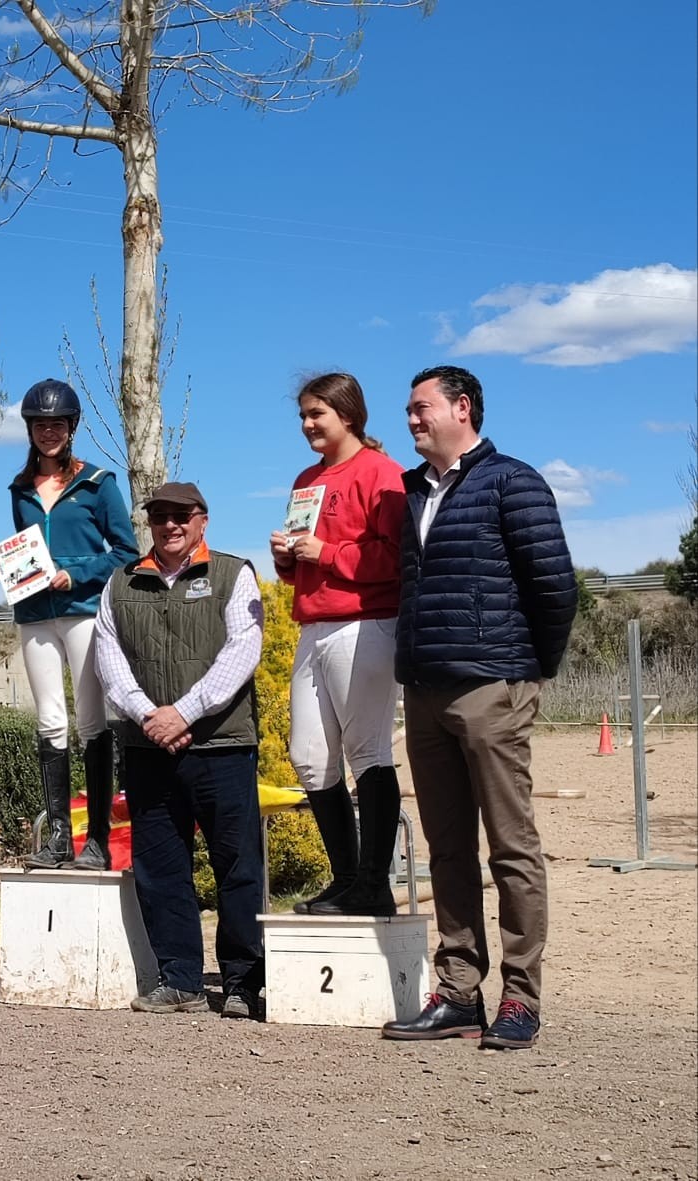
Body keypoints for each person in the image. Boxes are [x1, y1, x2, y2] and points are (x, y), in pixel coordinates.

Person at [381, 366, 576, 1051]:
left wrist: (525, 669)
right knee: (447, 850)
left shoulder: (511, 481)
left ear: (461, 408)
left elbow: (553, 584)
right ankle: (458, 992)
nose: (409, 418)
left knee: (511, 846)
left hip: (491, 684)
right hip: (425, 689)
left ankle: (520, 998)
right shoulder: (408, 493)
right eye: (406, 409)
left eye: (420, 407)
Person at [93, 482, 265, 1018]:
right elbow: (108, 658)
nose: (170, 525)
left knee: (238, 867)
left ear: (202, 520)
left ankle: (242, 983)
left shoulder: (235, 574)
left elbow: (244, 650)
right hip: (148, 749)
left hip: (222, 745)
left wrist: (184, 713)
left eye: (181, 516)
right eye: (160, 516)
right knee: (160, 868)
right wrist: (150, 716)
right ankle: (181, 979)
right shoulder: (120, 583)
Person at [269, 373, 407, 917]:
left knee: (369, 751)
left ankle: (375, 885)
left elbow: (396, 559)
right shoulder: (306, 478)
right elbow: (302, 566)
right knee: (309, 756)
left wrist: (325, 553)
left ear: (348, 414)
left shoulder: (383, 473)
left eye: (316, 414)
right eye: (303, 415)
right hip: (314, 626)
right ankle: (347, 880)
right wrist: (286, 557)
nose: (306, 425)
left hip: (366, 624)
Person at [7, 379, 139, 871]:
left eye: (57, 424)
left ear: (72, 427)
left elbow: (126, 553)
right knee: (49, 719)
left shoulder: (99, 483)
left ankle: (99, 839)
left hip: (83, 611)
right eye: (40, 424)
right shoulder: (18, 490)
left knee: (91, 718)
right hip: (34, 615)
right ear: (29, 429)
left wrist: (76, 573)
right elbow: (24, 550)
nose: (48, 432)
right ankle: (59, 837)